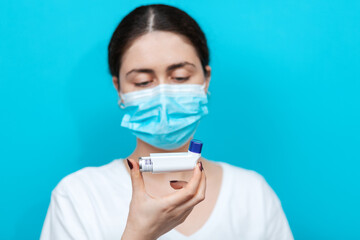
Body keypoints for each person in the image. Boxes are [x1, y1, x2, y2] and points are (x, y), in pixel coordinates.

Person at [40, 4, 294, 240]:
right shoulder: (78, 197)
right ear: (119, 89)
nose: (164, 96)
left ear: (206, 80)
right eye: (142, 82)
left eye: (180, 77)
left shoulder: (253, 195)